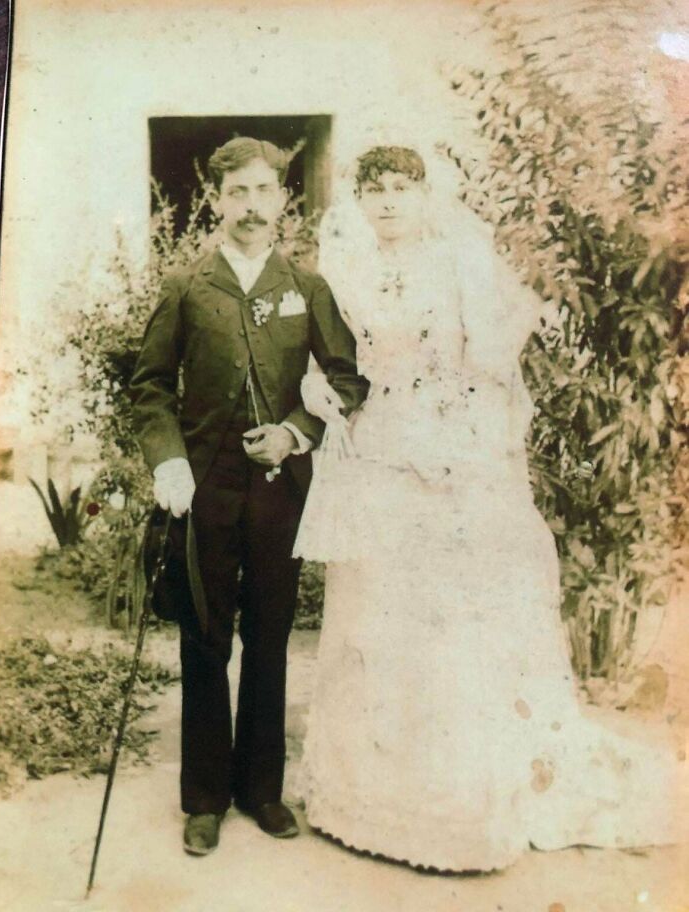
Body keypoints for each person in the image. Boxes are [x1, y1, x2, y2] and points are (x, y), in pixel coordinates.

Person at [294, 144, 687, 872]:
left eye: (400, 190)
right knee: (378, 611)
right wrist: (320, 392)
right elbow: (332, 360)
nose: (386, 203)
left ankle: (458, 805)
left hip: (452, 456)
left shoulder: (460, 265)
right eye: (373, 190)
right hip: (378, 453)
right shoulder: (344, 272)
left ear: (424, 196)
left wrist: (462, 447)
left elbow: (492, 373)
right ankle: (366, 796)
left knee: (450, 621)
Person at [129, 137, 367, 856]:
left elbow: (348, 379)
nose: (252, 207)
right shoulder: (185, 285)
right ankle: (203, 797)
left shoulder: (306, 287)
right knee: (205, 637)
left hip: (277, 490)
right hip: (201, 489)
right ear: (215, 198)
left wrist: (296, 433)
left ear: (282, 199)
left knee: (270, 635)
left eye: (266, 191)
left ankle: (261, 790)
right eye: (238, 193)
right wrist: (168, 463)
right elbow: (149, 388)